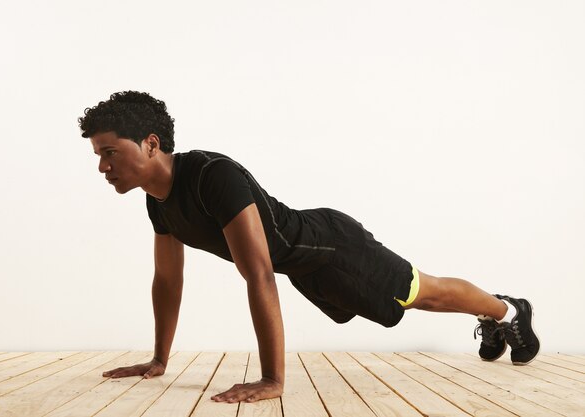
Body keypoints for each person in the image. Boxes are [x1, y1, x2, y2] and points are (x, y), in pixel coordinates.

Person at [78, 91, 540, 404]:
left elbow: (257, 273)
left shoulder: (209, 176)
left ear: (151, 143)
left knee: (425, 293)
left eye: (110, 152)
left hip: (332, 246)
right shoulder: (159, 203)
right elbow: (167, 280)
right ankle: (498, 315)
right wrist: (160, 360)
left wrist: (273, 380)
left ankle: (507, 312)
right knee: (420, 296)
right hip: (304, 267)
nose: (102, 166)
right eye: (98, 155)